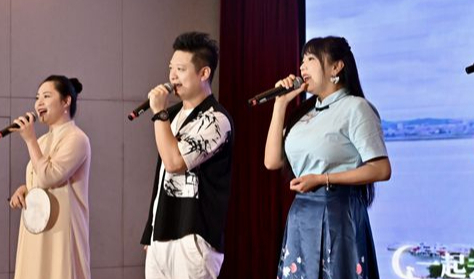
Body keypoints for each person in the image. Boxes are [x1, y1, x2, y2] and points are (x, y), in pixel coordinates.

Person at [264, 36, 392, 279]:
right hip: (302, 215)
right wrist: (280, 105)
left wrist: (323, 179)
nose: (302, 67)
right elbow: (271, 161)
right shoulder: (305, 114)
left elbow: (381, 169)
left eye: (311, 59)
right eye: (302, 61)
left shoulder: (356, 108)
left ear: (336, 67)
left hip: (338, 214)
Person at [141, 32, 233, 279]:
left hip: (193, 238)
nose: (172, 76)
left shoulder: (216, 119)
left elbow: (174, 163)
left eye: (180, 69)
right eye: (171, 68)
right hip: (161, 236)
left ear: (204, 73)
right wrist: (151, 230)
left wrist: (159, 113)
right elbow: (162, 175)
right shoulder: (170, 115)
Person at [9, 75, 91, 279]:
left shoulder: (77, 138)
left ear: (66, 101)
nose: (39, 103)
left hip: (60, 228)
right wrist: (25, 189)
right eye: (37, 97)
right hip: (37, 224)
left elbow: (49, 177)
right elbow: (40, 179)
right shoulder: (42, 140)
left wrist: (30, 140)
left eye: (46, 96)